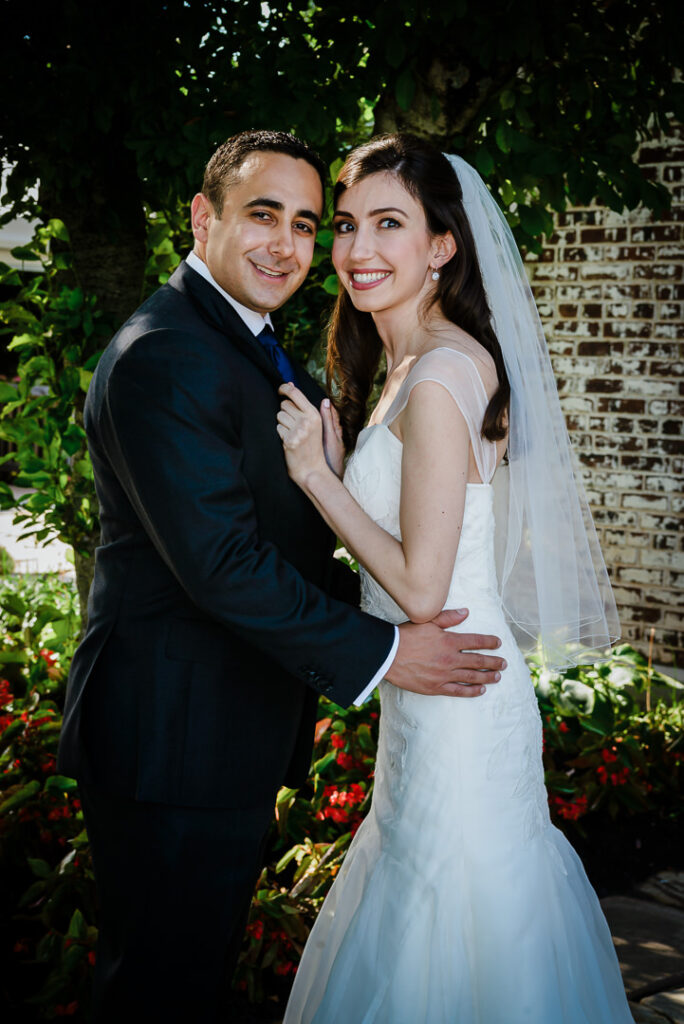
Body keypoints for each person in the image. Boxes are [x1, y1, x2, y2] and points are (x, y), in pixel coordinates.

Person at [56, 130, 507, 1023]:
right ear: (202, 216)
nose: (291, 247)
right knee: (159, 990)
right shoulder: (166, 352)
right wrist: (384, 651)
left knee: (188, 978)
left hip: (215, 731)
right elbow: (222, 566)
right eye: (266, 216)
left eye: (308, 225)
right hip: (169, 741)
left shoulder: (256, 350)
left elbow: (285, 547)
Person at [277, 134, 631, 1023]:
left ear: (443, 247)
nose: (358, 250)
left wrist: (317, 476)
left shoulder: (437, 376)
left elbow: (422, 589)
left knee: (457, 926)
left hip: (455, 700)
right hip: (437, 696)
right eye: (349, 225)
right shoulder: (415, 364)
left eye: (389, 224)